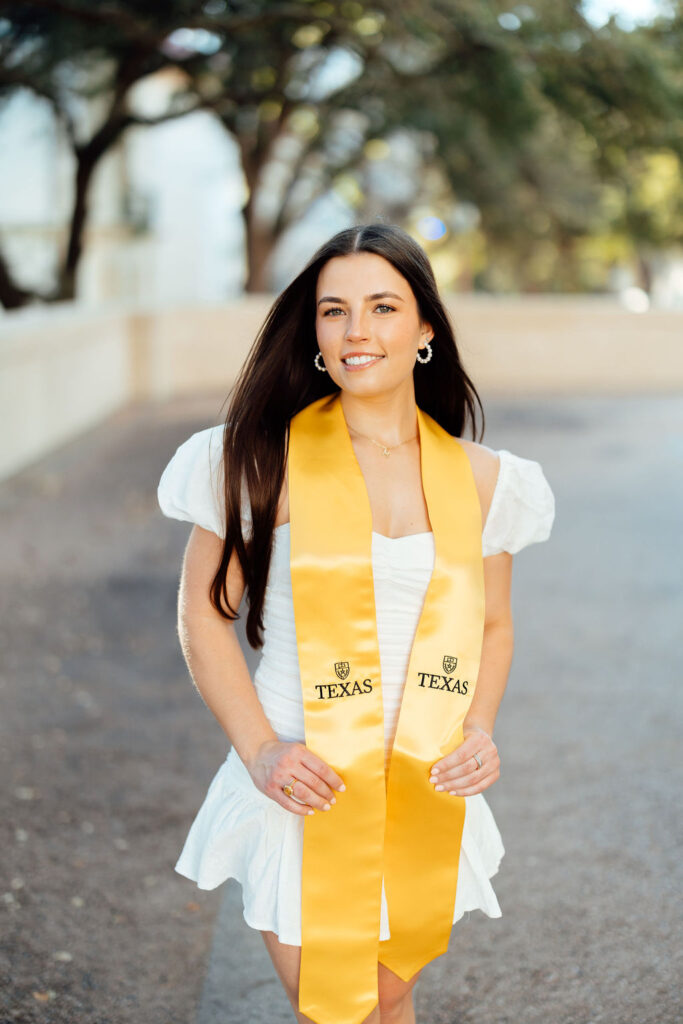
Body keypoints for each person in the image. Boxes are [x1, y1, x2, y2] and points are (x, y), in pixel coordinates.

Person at [157, 223, 555, 1024]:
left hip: (422, 777)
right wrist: (262, 750)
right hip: (303, 776)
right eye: (334, 311)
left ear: (425, 330)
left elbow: (492, 626)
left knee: (389, 1000)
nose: (357, 331)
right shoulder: (255, 460)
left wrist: (478, 728)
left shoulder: (485, 481)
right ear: (313, 333)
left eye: (382, 307)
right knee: (340, 1003)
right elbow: (205, 618)